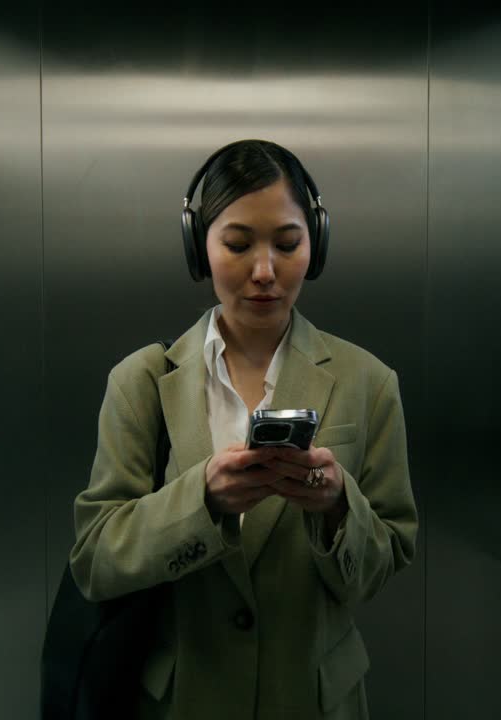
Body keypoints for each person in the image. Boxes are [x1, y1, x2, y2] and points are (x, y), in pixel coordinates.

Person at [69, 139, 418, 719]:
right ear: (198, 248)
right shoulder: (142, 381)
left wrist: (336, 508)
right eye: (236, 244)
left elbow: (386, 561)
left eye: (287, 244)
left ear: (317, 243)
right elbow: (96, 561)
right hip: (183, 701)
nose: (264, 272)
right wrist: (201, 499)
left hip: (314, 701)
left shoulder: (369, 382)